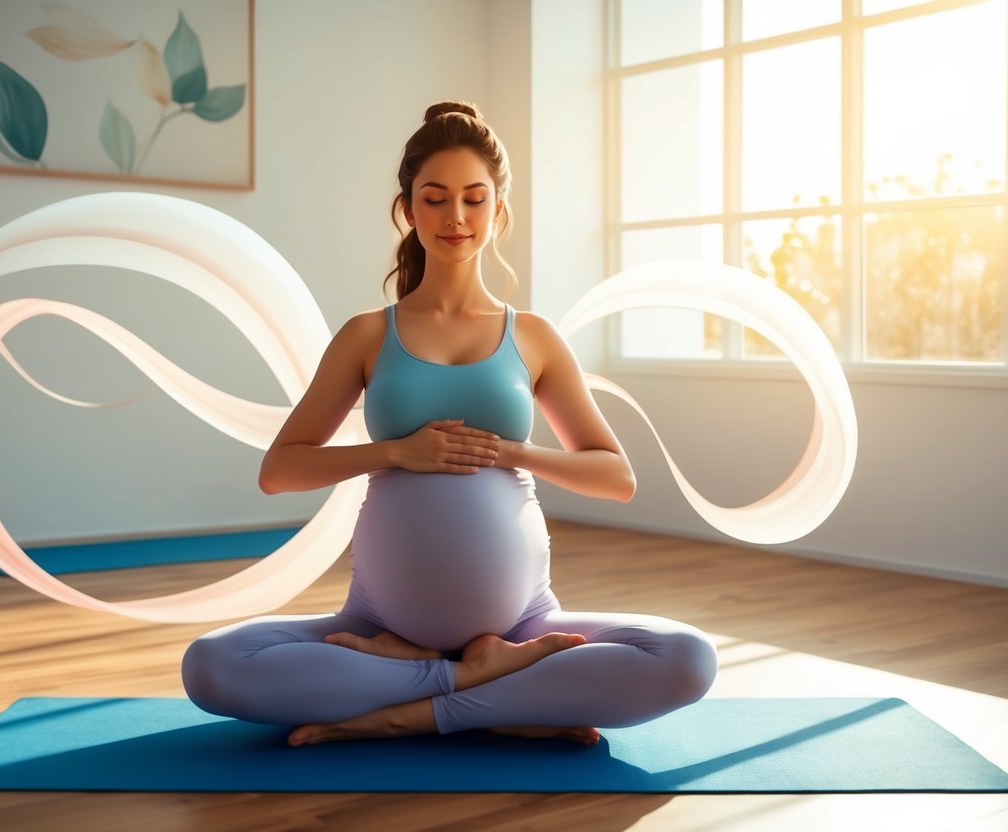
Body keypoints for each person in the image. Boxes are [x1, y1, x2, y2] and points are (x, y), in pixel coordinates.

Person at [181, 101, 717, 747]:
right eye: (434, 199)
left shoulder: (536, 338)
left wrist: (514, 453)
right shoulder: (367, 334)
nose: (455, 217)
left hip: (523, 621)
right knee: (210, 667)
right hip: (376, 626)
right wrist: (394, 453)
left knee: (686, 658)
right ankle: (490, 687)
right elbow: (280, 471)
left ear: (498, 210)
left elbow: (615, 478)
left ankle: (414, 705)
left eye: (473, 198)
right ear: (407, 209)